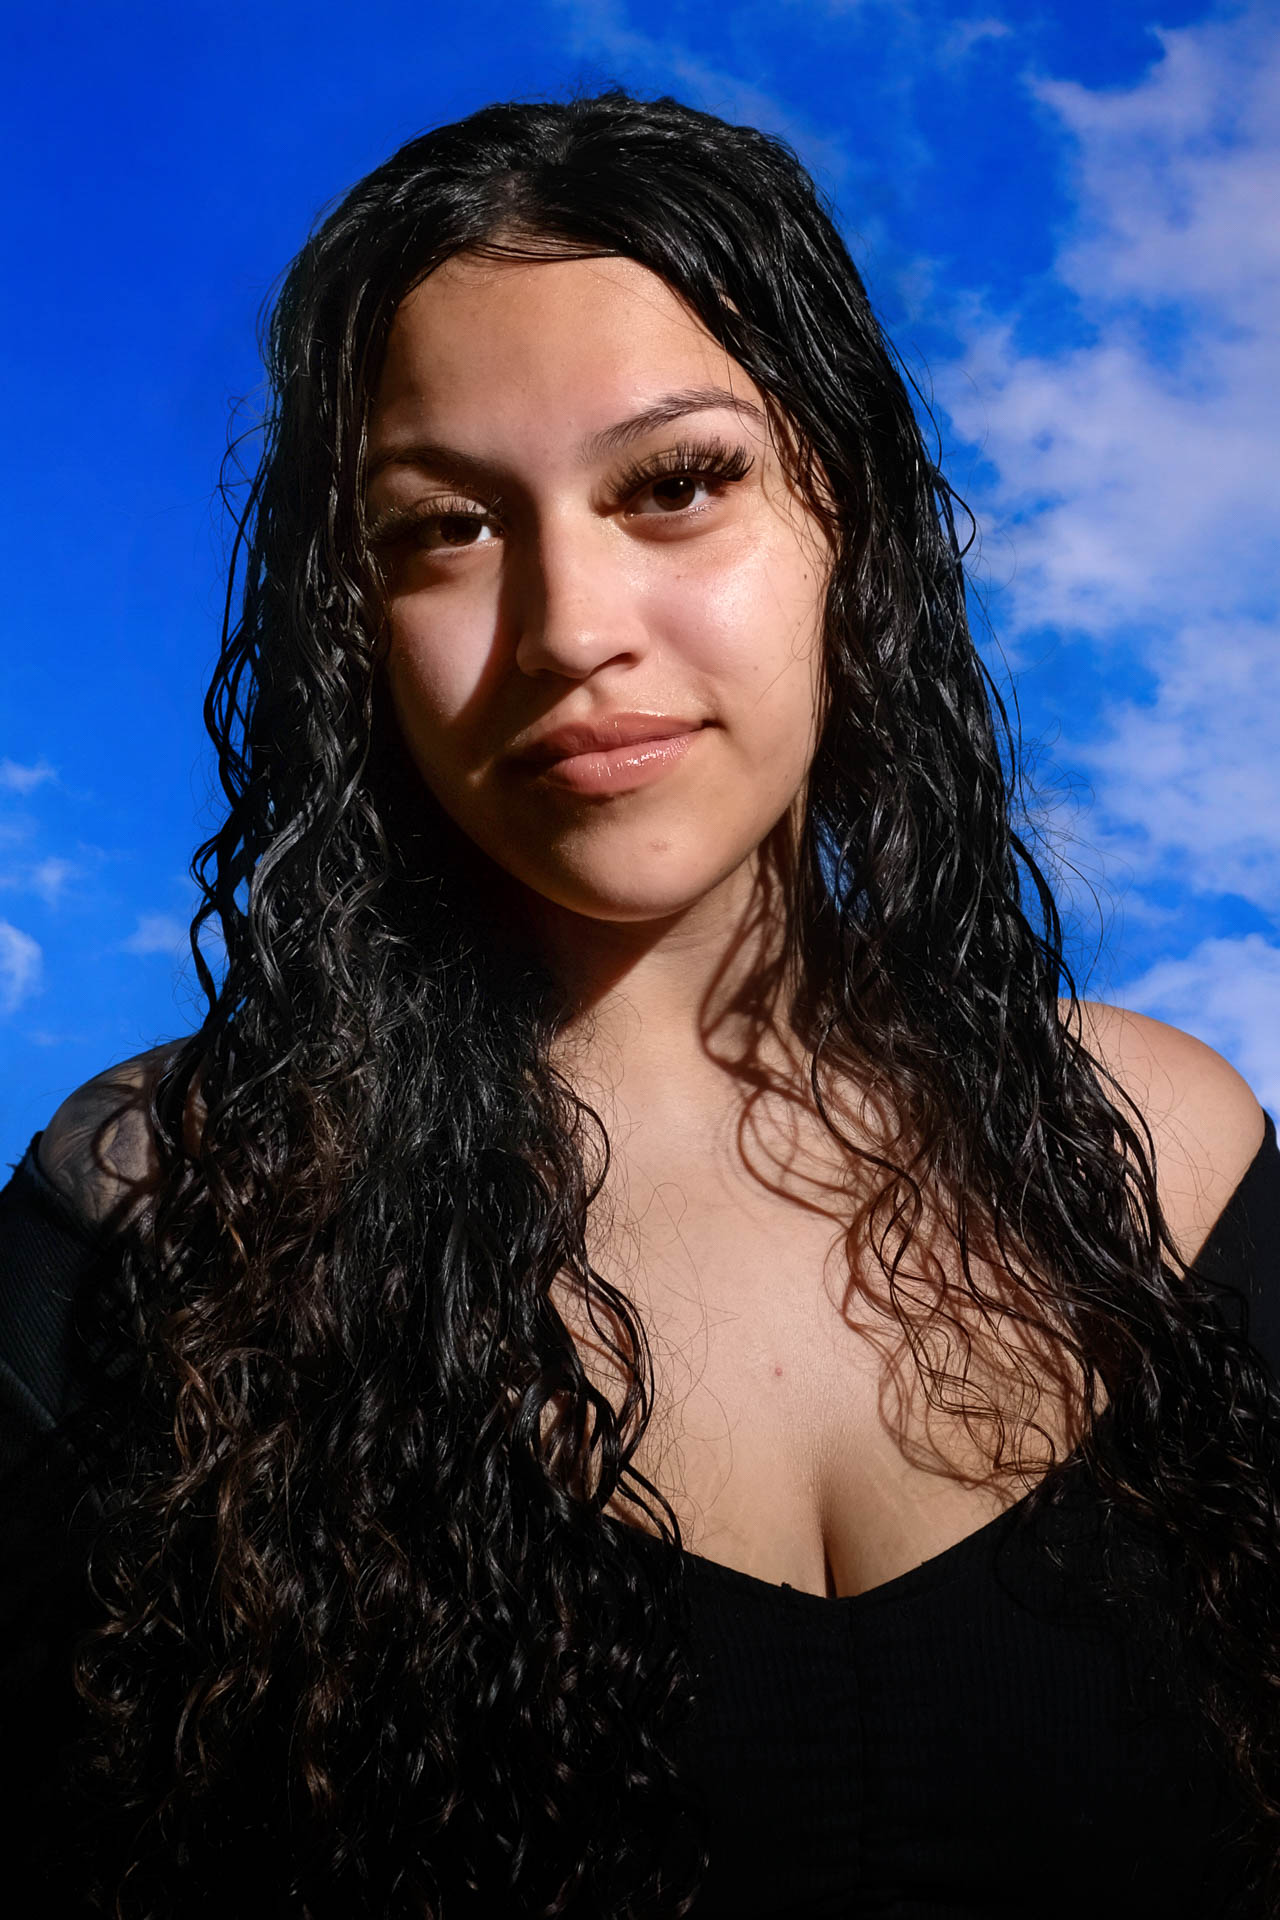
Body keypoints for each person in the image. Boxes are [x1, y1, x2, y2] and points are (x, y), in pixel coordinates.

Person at [1, 89, 1277, 1920]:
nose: (567, 626)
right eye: (445, 527)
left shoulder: (1162, 1158)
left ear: (851, 517)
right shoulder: (169, 1213)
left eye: (675, 484)